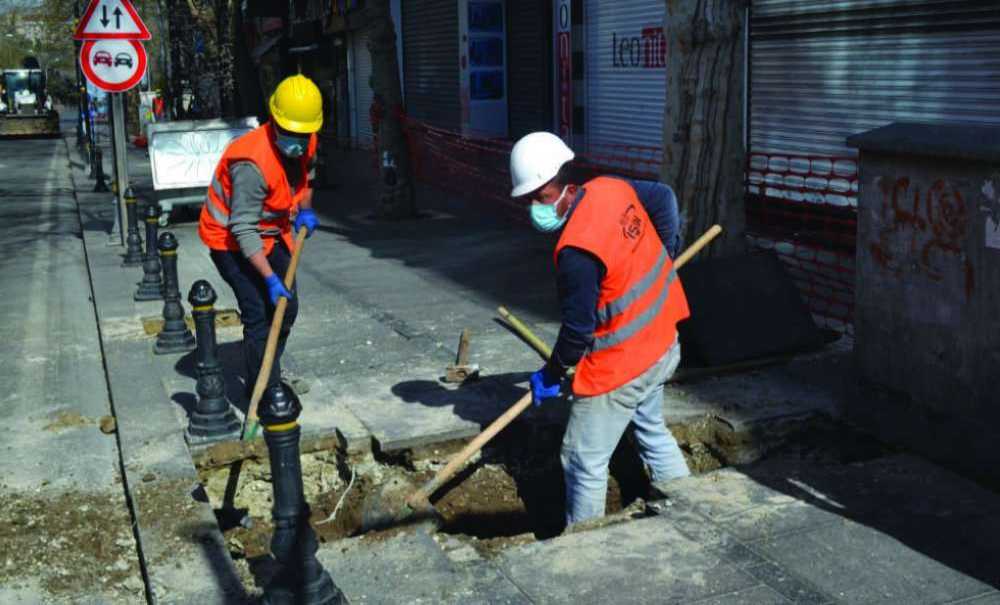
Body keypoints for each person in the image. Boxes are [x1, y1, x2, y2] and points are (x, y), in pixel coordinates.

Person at [509, 131, 692, 527]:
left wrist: (552, 373)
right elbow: (662, 198)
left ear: (563, 188)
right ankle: (694, 511)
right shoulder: (611, 188)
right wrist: (664, 255)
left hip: (623, 366)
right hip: (663, 340)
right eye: (530, 199)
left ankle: (586, 547)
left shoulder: (575, 251)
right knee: (651, 430)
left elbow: (577, 333)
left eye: (539, 198)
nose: (535, 208)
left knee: (582, 458)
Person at [198, 74, 323, 413]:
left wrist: (305, 211)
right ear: (275, 120)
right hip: (230, 240)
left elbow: (307, 177)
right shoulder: (251, 163)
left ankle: (268, 372)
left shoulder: (305, 139)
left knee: (288, 308)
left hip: (272, 232)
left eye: (304, 133)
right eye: (292, 132)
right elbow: (242, 228)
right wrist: (268, 278)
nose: (299, 140)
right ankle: (262, 390)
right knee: (259, 314)